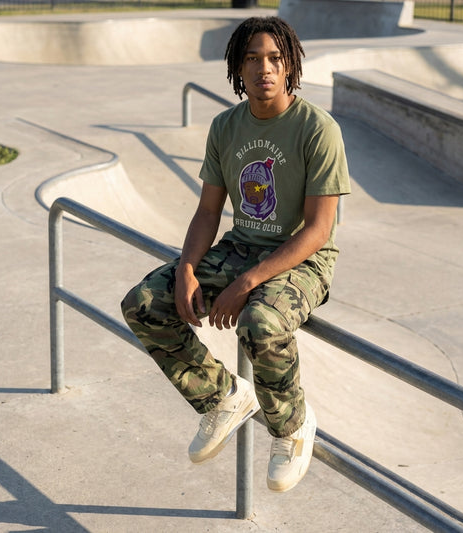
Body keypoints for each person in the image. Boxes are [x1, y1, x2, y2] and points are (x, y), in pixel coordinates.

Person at [121, 16, 350, 493]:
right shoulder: (226, 126)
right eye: (252, 59)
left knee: (260, 323)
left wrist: (246, 284)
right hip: (240, 246)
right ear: (237, 69)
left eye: (274, 58)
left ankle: (292, 426)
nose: (264, 68)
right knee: (144, 303)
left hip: (304, 260)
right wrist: (187, 269)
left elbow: (318, 230)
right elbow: (208, 211)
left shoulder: (317, 129)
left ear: (290, 65)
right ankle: (222, 398)